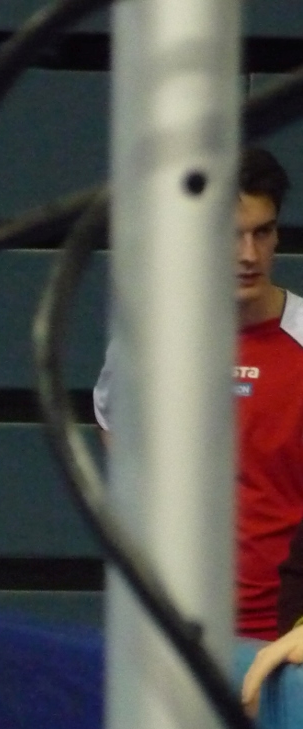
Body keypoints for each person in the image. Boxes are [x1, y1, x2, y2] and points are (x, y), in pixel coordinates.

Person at [95, 147, 302, 640]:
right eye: (230, 235)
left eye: (262, 232)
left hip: (285, 639)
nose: (248, 255)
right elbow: (114, 424)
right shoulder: (149, 338)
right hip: (174, 632)